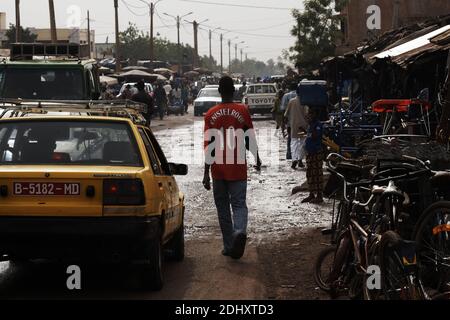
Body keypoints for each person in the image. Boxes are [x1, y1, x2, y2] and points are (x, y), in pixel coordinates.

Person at [203, 76, 262, 260]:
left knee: (222, 208)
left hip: (218, 170)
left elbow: (209, 145)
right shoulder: (243, 111)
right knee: (238, 204)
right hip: (237, 166)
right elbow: (249, 137)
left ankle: (229, 246)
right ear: (234, 91)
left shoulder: (210, 114)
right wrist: (257, 158)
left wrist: (206, 173)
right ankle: (239, 231)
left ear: (220, 91)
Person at [302, 107, 324, 204]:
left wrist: (310, 127)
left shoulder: (318, 125)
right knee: (310, 173)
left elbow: (315, 136)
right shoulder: (310, 125)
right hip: (310, 152)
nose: (309, 115)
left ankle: (319, 195)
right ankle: (311, 194)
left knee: (317, 174)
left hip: (316, 152)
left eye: (311, 114)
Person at [284, 85, 308, 169]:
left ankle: (294, 159)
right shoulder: (304, 102)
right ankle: (300, 160)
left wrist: (287, 126)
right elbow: (307, 114)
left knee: (293, 143)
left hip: (293, 125)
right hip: (303, 126)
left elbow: (286, 115)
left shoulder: (291, 101)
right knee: (302, 143)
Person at [280, 82, 298, 160]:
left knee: (290, 137)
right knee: (300, 139)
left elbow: (283, 110)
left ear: (289, 88)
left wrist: (283, 122)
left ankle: (289, 154)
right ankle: (298, 156)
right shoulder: (301, 96)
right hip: (301, 121)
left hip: (290, 121)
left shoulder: (286, 96)